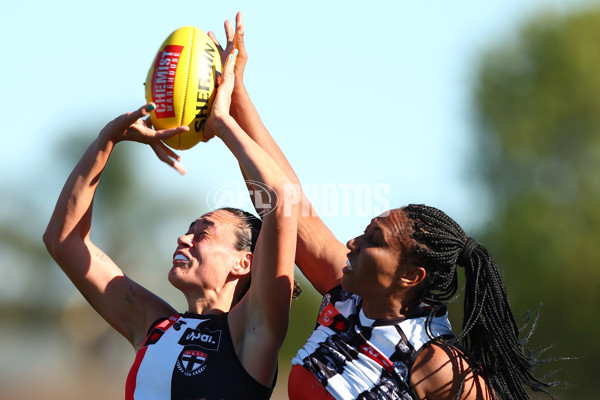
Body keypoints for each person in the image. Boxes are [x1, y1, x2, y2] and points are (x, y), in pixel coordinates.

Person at [210, 12, 558, 400]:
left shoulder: (437, 363)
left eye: (374, 239)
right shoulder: (348, 295)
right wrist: (237, 93)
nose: (354, 242)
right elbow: (288, 202)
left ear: (411, 277)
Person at [43, 49, 299, 399]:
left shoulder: (252, 331)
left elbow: (282, 200)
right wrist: (107, 140)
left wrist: (223, 123)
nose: (183, 238)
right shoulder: (153, 323)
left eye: (202, 233)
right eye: (189, 229)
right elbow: (64, 241)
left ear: (244, 262)